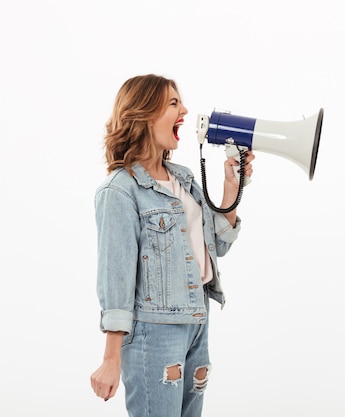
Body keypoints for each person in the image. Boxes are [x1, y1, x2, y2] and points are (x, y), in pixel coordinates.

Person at [89, 74, 255, 417]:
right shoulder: (120, 191)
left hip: (198, 322)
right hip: (154, 331)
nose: (185, 110)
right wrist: (110, 359)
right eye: (173, 103)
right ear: (144, 114)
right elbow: (115, 279)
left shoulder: (184, 178)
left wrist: (231, 188)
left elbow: (217, 247)